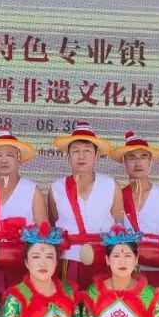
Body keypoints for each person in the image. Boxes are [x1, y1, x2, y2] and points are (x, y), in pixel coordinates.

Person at [48, 121, 124, 287]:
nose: (81, 156)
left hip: (104, 259)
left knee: (100, 301)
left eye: (87, 151)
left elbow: (119, 224)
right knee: (70, 301)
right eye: (75, 151)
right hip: (69, 260)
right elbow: (53, 224)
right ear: (68, 156)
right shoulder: (56, 188)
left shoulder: (111, 185)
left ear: (96, 156)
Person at [111, 130, 159, 306]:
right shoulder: (117, 196)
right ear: (124, 162)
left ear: (150, 161)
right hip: (128, 270)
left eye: (143, 157)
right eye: (132, 158)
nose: (138, 163)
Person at [0, 128, 47, 299]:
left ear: (18, 159)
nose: (4, 160)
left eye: (10, 155)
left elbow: (44, 234)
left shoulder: (32, 191)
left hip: (22, 267)